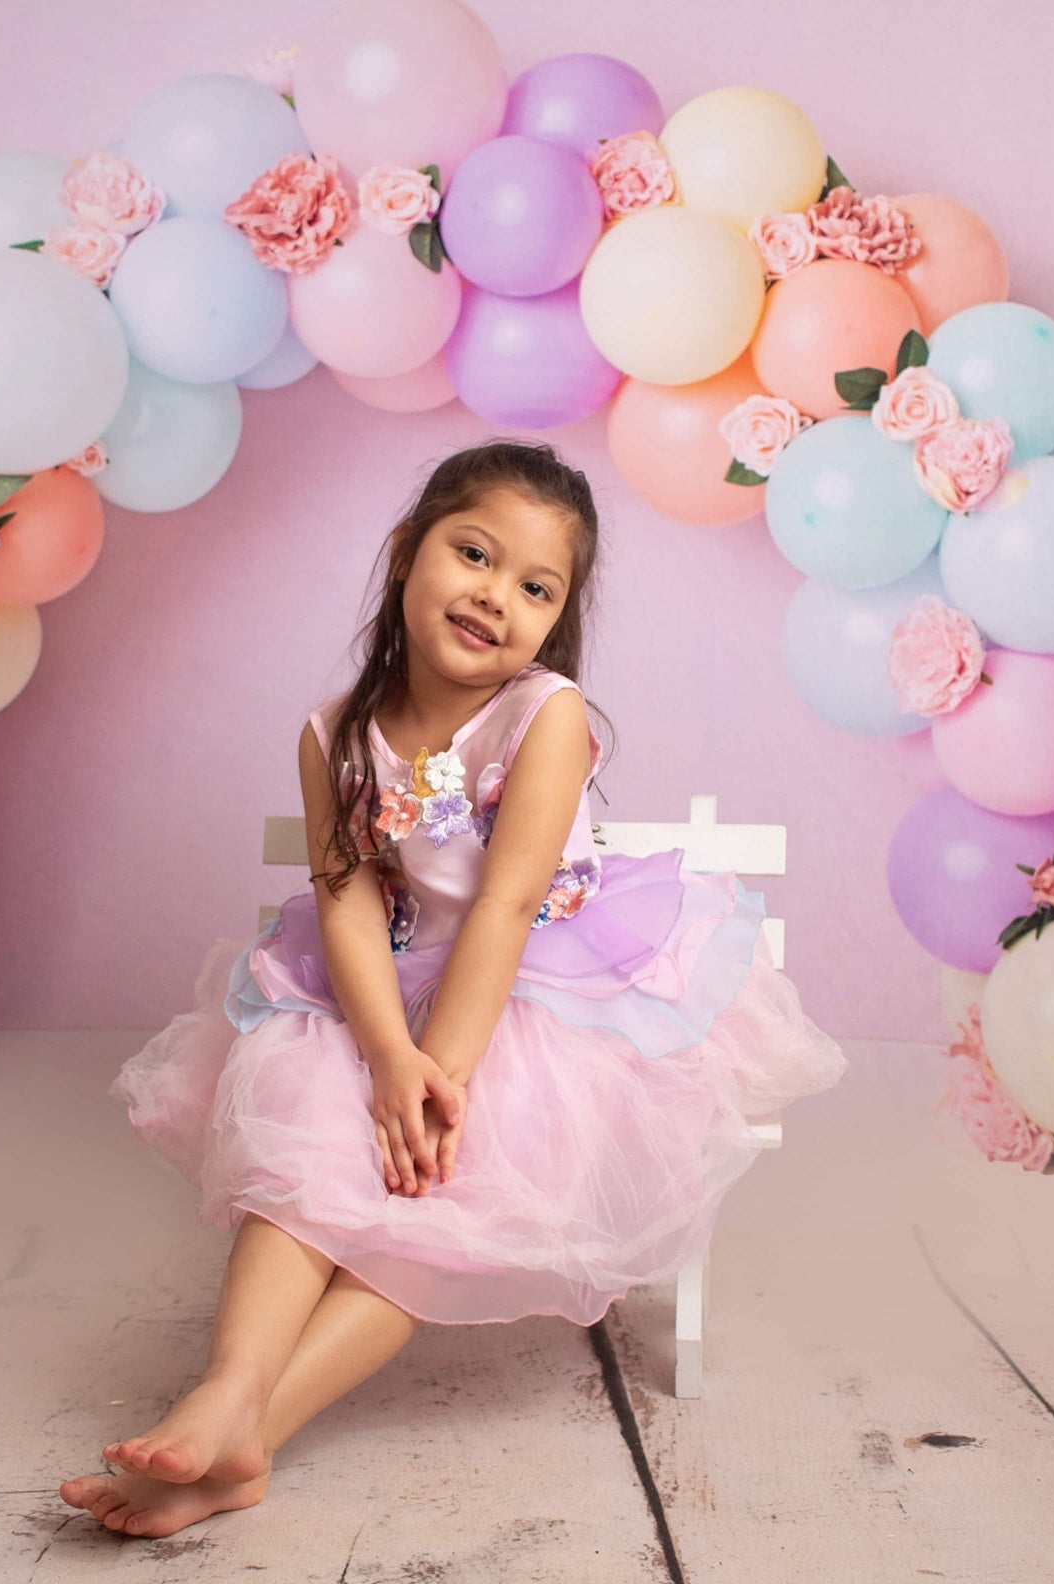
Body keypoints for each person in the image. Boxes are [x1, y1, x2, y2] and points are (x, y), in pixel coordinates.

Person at [61, 439, 847, 1538]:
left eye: (536, 587)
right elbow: (342, 894)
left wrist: (438, 1075)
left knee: (429, 1188)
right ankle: (229, 1388)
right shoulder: (334, 731)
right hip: (382, 989)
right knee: (298, 1139)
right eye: (473, 554)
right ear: (405, 554)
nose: (496, 596)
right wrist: (385, 1054)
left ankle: (246, 1435)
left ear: (556, 619)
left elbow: (503, 906)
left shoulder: (545, 716)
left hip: (531, 994)